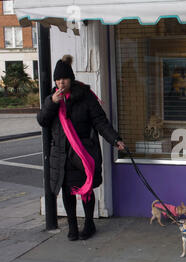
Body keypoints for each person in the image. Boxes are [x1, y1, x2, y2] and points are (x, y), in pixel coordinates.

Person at [37, 54, 126, 241]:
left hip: (83, 152)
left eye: (64, 79)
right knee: (67, 190)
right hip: (61, 153)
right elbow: (43, 121)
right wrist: (52, 103)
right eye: (58, 79)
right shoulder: (52, 99)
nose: (61, 83)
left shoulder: (85, 97)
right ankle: (72, 226)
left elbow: (100, 121)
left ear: (71, 79)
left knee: (86, 189)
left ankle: (89, 223)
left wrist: (115, 139)